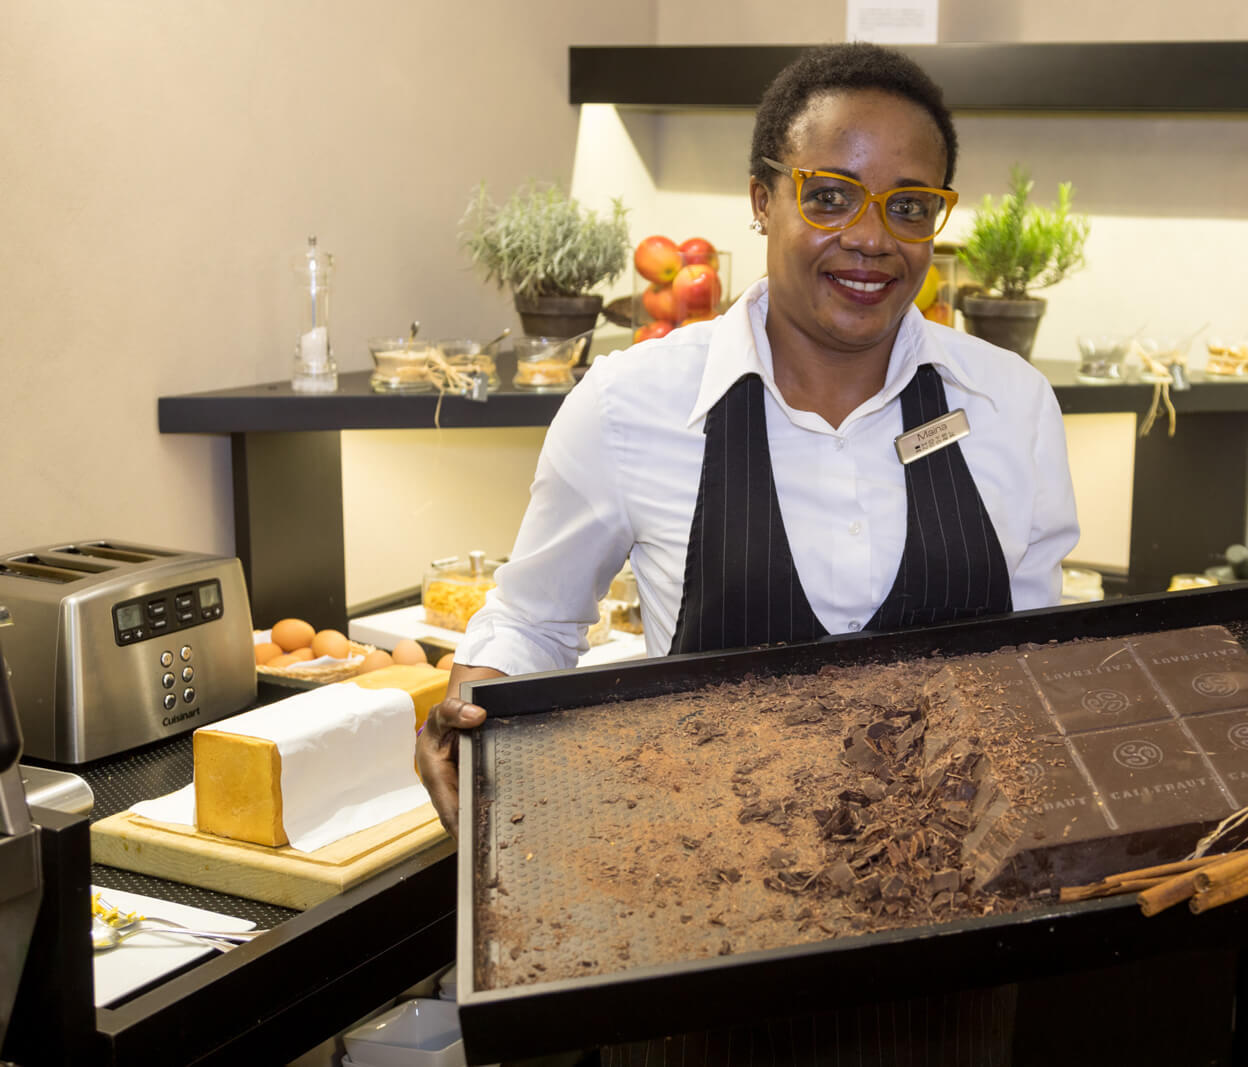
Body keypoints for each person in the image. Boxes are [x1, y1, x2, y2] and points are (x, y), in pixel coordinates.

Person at [417, 42, 1078, 1063]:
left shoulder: (1009, 405)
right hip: (692, 953)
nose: (871, 238)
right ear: (763, 200)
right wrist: (475, 712)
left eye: (909, 206)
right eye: (831, 196)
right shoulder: (632, 405)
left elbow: (1034, 662)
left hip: (946, 956)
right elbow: (533, 617)